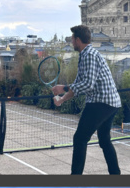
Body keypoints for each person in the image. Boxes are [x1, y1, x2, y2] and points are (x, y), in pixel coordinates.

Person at [51, 25, 121, 175]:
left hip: (100, 102)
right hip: (110, 103)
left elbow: (87, 85)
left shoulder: (89, 55)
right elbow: (77, 85)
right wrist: (62, 100)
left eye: (72, 39)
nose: (71, 42)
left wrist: (63, 87)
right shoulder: (86, 54)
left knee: (80, 139)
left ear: (77, 39)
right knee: (104, 140)